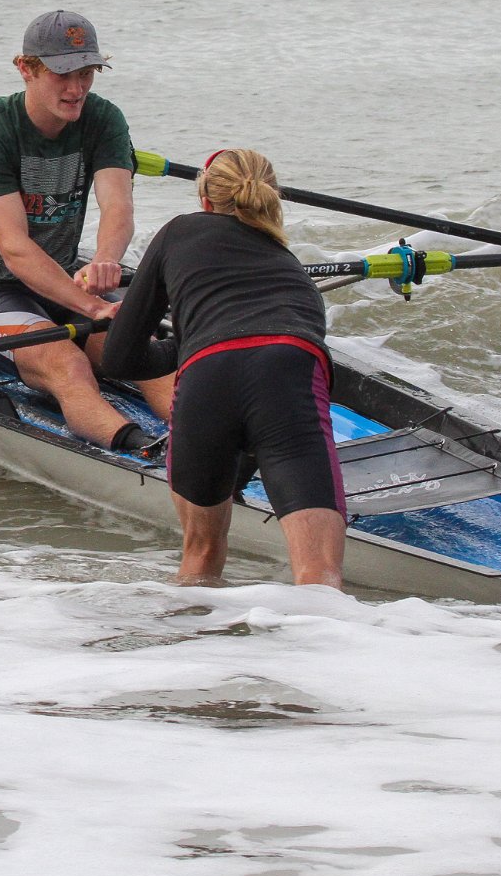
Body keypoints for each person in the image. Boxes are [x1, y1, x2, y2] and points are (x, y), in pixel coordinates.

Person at [99, 148, 346, 590]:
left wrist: (186, 345)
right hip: (290, 368)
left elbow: (120, 359)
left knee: (201, 557)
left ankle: (194, 650)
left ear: (206, 201)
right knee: (320, 579)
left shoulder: (180, 232)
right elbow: (260, 363)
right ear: (274, 197)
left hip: (206, 378)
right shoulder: (293, 272)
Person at [0, 10, 173, 453]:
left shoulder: (104, 119)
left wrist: (106, 259)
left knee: (143, 350)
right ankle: (144, 452)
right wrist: (91, 305)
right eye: (62, 74)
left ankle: (213, 441)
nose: (77, 89)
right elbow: (14, 250)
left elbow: (118, 207)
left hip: (62, 280)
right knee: (67, 362)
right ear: (26, 69)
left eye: (87, 73)